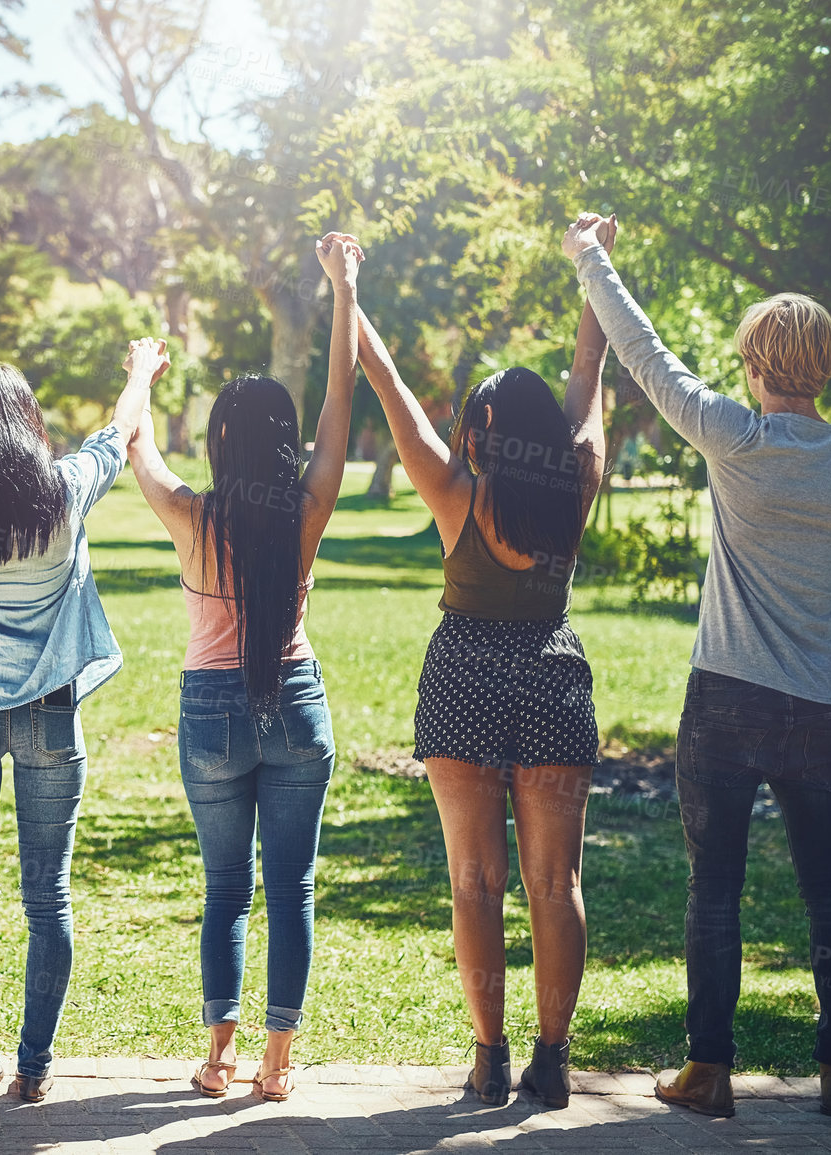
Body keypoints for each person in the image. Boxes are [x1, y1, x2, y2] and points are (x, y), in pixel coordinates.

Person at [563, 213, 831, 1119]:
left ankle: (707, 1070)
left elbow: (642, 350)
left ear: (754, 361)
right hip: (812, 712)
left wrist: (588, 255)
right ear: (823, 365)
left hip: (722, 703)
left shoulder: (730, 437)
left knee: (714, 885)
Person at [351, 216, 615, 1109]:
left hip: (462, 668)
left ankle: (489, 1056)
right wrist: (592, 266)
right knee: (555, 881)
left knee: (475, 880)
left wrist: (346, 287)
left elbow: (383, 380)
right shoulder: (577, 474)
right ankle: (552, 1056)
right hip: (551, 667)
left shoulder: (452, 490)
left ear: (474, 432)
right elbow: (588, 373)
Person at [0, 271, 164, 1103]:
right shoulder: (65, 494)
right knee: (47, 898)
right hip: (49, 718)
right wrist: (141, 372)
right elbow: (117, 434)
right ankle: (34, 1068)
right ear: (28, 422)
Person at [125, 232, 361, 1102]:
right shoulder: (306, 507)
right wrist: (343, 289)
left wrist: (140, 376)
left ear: (222, 441)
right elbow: (340, 391)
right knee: (289, 888)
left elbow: (132, 446)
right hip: (295, 701)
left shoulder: (191, 515)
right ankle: (276, 1064)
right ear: (284, 443)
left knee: (226, 887)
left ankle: (217, 1059)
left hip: (212, 709)